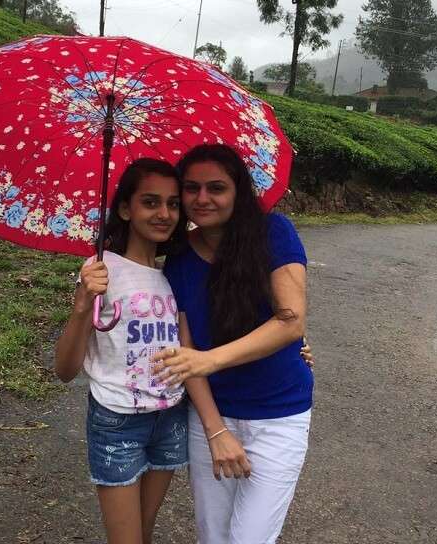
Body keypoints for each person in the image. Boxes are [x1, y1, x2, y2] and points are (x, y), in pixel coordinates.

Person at [154, 144, 313, 544]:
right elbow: (185, 352)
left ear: (238, 191)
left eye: (216, 188)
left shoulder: (273, 232)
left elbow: (290, 321)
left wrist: (210, 360)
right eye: (191, 188)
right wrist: (215, 431)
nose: (202, 199)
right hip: (212, 416)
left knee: (248, 539)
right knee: (215, 536)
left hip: (279, 415)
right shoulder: (178, 260)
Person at [54, 158, 201, 544]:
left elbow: (200, 341)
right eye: (150, 202)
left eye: (172, 204)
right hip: (117, 420)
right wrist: (83, 304)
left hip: (171, 417)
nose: (164, 213)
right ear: (125, 208)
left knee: (144, 531)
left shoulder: (173, 274)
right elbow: (65, 369)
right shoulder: (102, 270)